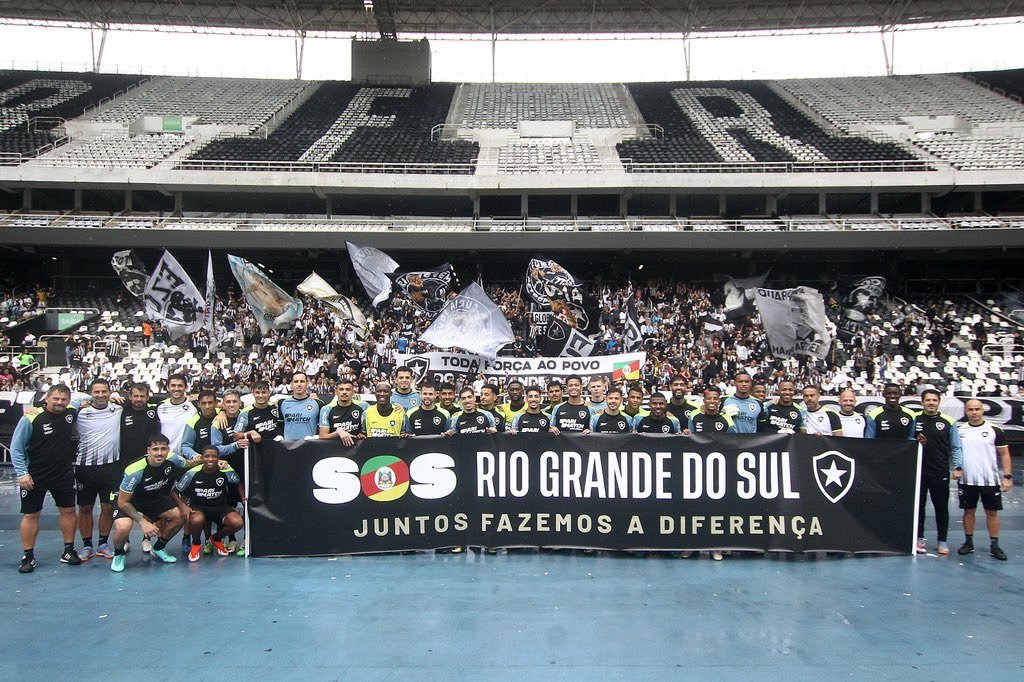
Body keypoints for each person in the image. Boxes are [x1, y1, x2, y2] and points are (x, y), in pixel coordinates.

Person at [12, 385, 82, 573]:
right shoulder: (31, 417)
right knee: (31, 514)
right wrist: (22, 473)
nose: (59, 402)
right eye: (56, 399)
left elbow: (83, 398)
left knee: (68, 511)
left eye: (63, 399)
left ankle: (68, 550)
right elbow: (16, 448)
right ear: (47, 398)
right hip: (35, 475)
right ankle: (28, 555)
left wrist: (113, 395)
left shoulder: (70, 412)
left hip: (63, 474)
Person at [109, 434, 196, 572]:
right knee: (124, 527)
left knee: (180, 516)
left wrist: (216, 461)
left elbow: (192, 463)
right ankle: (118, 554)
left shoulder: (173, 459)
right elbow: (123, 502)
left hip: (151, 497)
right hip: (127, 500)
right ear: (148, 450)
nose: (160, 453)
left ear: (168, 449)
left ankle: (159, 548)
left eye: (163, 449)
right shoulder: (135, 470)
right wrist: (143, 522)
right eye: (155, 449)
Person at [73, 378, 124, 561]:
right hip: (84, 467)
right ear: (91, 393)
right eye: (97, 392)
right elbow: (61, 403)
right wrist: (81, 401)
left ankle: (103, 543)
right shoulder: (80, 411)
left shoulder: (117, 409)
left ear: (110, 392)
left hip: (110, 467)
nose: (101, 395)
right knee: (85, 507)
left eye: (104, 391)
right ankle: (87, 545)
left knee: (107, 507)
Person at [955, 399, 1013, 560]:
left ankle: (995, 545)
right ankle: (968, 542)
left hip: (990, 480)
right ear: (965, 411)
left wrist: (1007, 477)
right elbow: (955, 452)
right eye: (970, 409)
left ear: (982, 410)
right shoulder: (960, 430)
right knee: (968, 511)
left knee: (992, 512)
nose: (974, 412)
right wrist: (956, 468)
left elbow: (1005, 454)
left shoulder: (995, 430)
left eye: (977, 409)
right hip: (967, 480)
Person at [174, 446, 245, 563]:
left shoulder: (225, 471)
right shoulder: (192, 473)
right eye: (207, 456)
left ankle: (216, 538)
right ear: (202, 458)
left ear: (218, 458)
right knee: (196, 520)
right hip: (199, 507)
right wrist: (183, 506)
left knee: (237, 523)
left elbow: (237, 482)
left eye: (214, 456)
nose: (210, 459)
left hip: (220, 507)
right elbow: (174, 492)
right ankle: (196, 543)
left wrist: (243, 498)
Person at [914, 388, 963, 555]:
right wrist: (916, 441)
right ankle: (919, 538)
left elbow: (956, 446)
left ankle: (942, 540)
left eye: (934, 400)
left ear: (939, 402)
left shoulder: (949, 421)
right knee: (918, 507)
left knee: (941, 507)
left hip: (940, 471)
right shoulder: (915, 419)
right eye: (928, 400)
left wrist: (957, 466)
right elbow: (907, 442)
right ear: (922, 402)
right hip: (919, 471)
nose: (931, 403)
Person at [157, 373, 198, 454]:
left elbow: (218, 405)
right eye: (173, 385)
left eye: (180, 386)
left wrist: (222, 413)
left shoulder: (194, 405)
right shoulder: (160, 406)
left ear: (186, 388)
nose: (176, 389)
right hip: (165, 456)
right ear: (168, 388)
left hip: (187, 457)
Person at [319, 379, 366, 445]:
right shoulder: (326, 410)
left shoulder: (363, 406)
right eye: (341, 389)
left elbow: (367, 431)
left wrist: (362, 435)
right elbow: (322, 437)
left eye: (348, 389)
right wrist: (338, 432)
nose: (344, 392)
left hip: (357, 448)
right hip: (334, 448)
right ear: (336, 392)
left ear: (353, 392)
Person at [280, 371, 323, 440]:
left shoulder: (317, 403)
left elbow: (324, 427)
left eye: (302, 381)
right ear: (291, 384)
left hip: (310, 447)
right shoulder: (283, 404)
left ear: (307, 384)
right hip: (288, 448)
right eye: (296, 381)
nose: (299, 384)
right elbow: (279, 426)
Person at [181, 390, 220, 459]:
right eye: (203, 403)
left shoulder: (223, 414)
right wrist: (195, 456)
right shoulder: (192, 422)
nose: (207, 406)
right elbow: (185, 446)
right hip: (202, 463)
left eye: (210, 403)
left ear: (216, 403)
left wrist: (223, 412)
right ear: (198, 404)